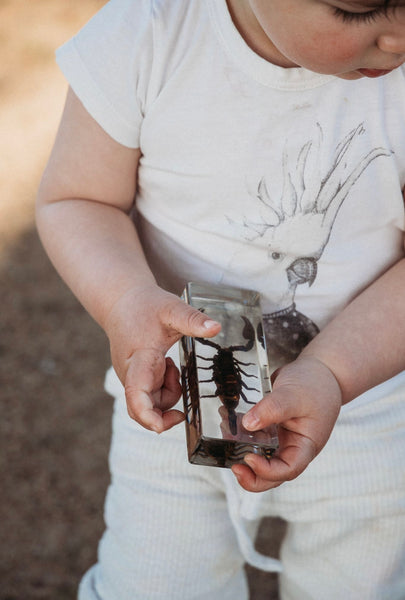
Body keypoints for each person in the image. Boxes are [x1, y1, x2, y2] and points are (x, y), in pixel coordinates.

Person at [36, 0, 405, 598]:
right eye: (358, 10)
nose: (398, 38)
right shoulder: (147, 33)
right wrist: (125, 300)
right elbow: (78, 199)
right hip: (175, 402)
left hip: (367, 417)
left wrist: (332, 374)